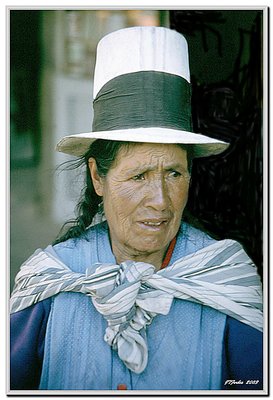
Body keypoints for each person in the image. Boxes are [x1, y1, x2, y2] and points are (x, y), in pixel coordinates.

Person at [10, 26, 263, 392]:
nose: (160, 200)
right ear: (99, 177)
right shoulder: (50, 283)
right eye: (139, 175)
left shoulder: (226, 281)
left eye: (174, 173)